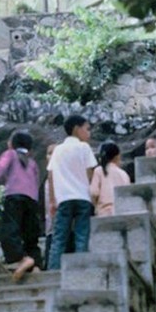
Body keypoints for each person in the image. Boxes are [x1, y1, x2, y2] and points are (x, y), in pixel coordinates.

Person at [0, 130, 42, 281]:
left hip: (14, 197)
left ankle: (21, 259)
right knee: (30, 236)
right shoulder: (32, 163)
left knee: (9, 230)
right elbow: (37, 182)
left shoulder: (10, 154)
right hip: (32, 201)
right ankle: (35, 266)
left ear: (12, 144)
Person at [47, 114, 97, 270]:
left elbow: (51, 175)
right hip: (83, 198)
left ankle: (53, 270)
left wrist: (53, 200)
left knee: (59, 238)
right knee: (82, 235)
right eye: (87, 129)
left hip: (64, 199)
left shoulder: (58, 150)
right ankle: (81, 270)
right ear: (77, 129)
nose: (89, 133)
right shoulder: (84, 147)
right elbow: (90, 173)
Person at [90, 141, 131, 217]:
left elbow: (94, 193)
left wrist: (95, 205)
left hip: (103, 213)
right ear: (117, 156)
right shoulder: (123, 174)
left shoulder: (99, 171)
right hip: (121, 213)